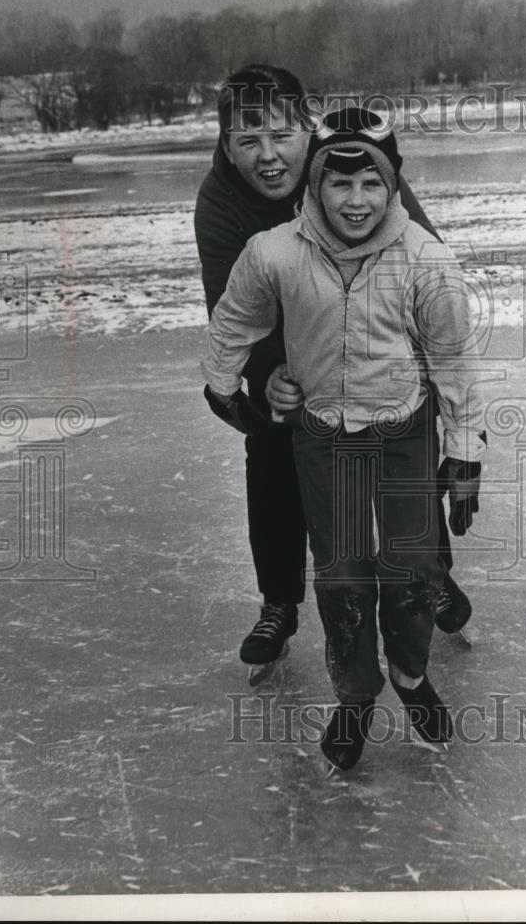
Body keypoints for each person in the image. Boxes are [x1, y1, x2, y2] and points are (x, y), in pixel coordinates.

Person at [202, 107, 487, 769]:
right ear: (315, 184)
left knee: (413, 571)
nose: (355, 200)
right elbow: (234, 320)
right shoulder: (274, 252)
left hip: (402, 431)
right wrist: (223, 385)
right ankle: (356, 694)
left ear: (392, 186)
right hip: (324, 437)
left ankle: (411, 677)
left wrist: (466, 452)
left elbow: (453, 360)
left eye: (371, 184)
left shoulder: (426, 260)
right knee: (344, 577)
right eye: (339, 183)